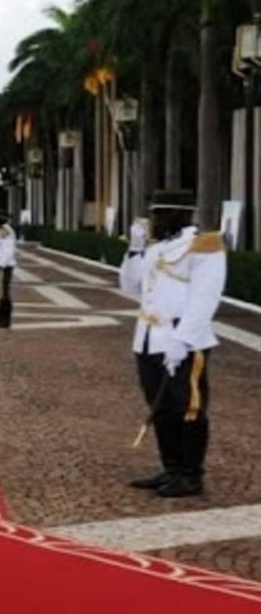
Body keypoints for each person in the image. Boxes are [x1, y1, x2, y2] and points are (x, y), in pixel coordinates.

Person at [119, 190, 226, 498]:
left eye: (158, 216)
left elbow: (204, 298)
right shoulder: (157, 247)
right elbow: (129, 285)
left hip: (182, 339)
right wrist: (135, 247)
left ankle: (191, 475)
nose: (152, 222)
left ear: (176, 215)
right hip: (149, 339)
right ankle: (172, 468)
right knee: (161, 406)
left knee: (188, 407)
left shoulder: (205, 246)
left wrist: (183, 341)